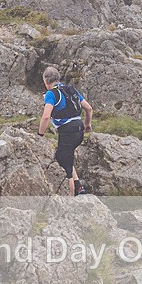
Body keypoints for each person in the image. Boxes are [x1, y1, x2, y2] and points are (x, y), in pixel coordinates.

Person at [38, 66, 93, 196]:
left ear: (46, 81)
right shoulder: (71, 90)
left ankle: (71, 198)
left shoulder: (51, 94)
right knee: (66, 157)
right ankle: (78, 186)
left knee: (63, 163)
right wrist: (88, 124)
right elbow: (89, 108)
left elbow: (46, 116)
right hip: (79, 130)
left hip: (67, 133)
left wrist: (40, 135)